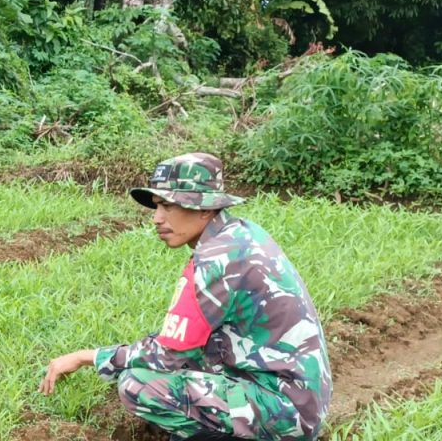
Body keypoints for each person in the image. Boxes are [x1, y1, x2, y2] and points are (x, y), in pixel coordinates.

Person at [39, 153, 331, 441]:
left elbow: (167, 354)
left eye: (168, 205)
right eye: (156, 206)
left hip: (285, 409)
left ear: (204, 209)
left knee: (137, 384)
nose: (157, 218)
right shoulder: (239, 235)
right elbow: (184, 340)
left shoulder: (217, 259)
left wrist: (87, 357)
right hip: (296, 395)